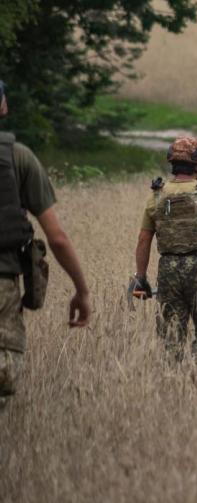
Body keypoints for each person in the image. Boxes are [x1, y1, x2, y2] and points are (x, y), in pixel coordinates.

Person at [0, 80, 91, 409]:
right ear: (3, 107)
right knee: (4, 374)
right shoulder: (18, 157)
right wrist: (82, 290)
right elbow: (57, 237)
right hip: (2, 283)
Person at [134, 136, 197, 359]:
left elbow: (143, 239)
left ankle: (173, 379)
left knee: (171, 335)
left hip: (168, 270)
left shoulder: (157, 195)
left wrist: (140, 277)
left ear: (173, 164)